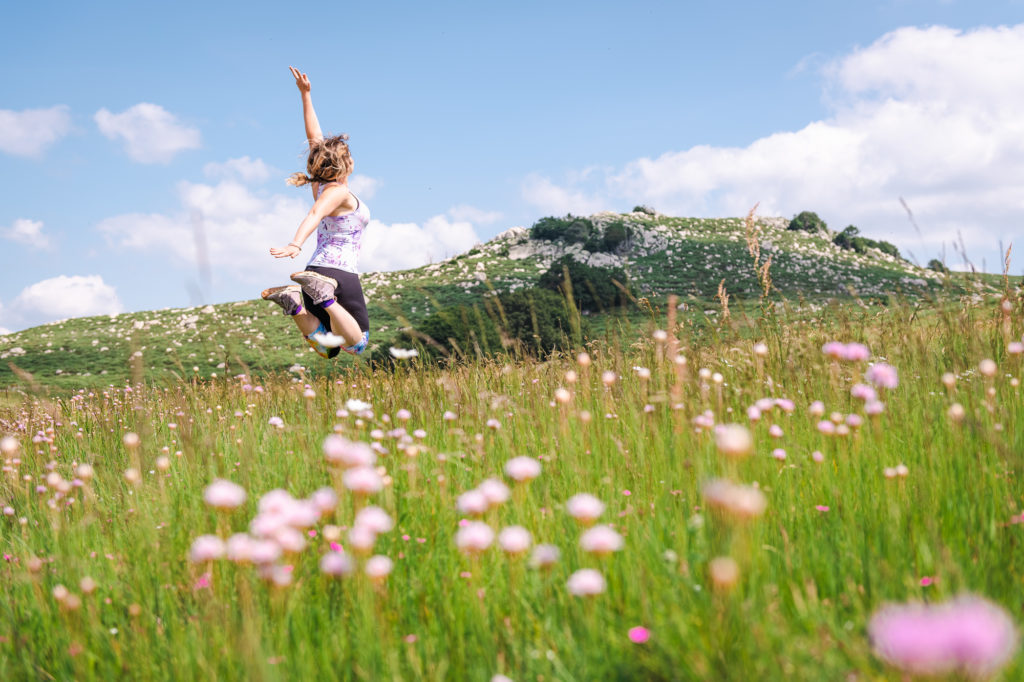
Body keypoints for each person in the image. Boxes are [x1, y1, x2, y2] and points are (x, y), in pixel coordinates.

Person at [263, 66, 371, 358]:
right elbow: (314, 215)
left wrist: (305, 95)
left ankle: (294, 304)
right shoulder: (338, 193)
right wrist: (295, 244)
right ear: (347, 164)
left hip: (316, 270)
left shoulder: (321, 186)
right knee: (356, 343)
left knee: (328, 348)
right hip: (339, 273)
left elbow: (314, 139)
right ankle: (326, 301)